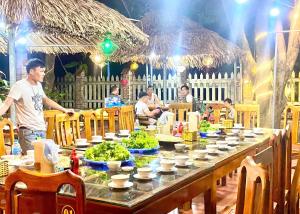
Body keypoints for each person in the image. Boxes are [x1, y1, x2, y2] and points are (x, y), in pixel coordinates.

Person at [0, 58, 74, 153]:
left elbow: (46, 100)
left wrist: (64, 109)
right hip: (28, 132)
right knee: (33, 162)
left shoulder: (38, 85)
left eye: (44, 71)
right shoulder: (19, 86)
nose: (44, 73)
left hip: (41, 130)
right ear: (31, 71)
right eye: (41, 71)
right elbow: (6, 103)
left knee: (41, 161)